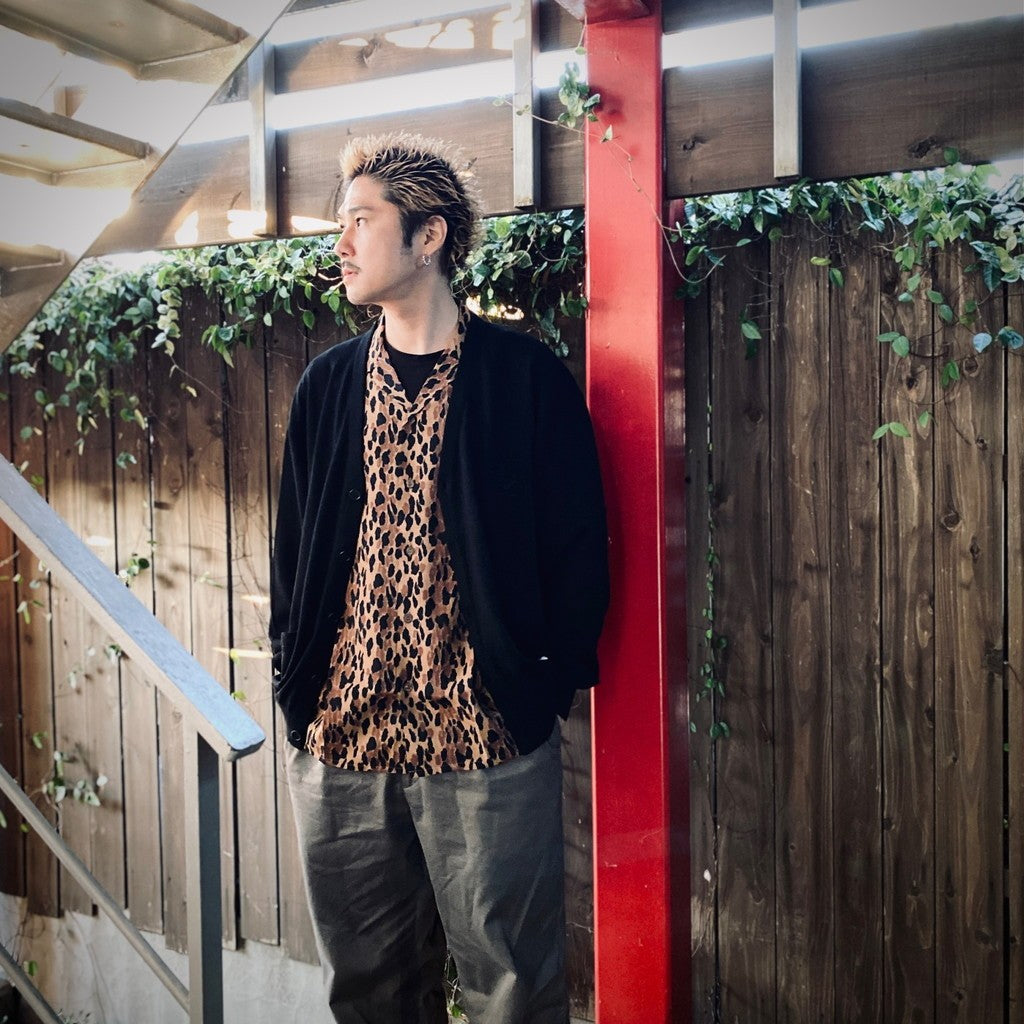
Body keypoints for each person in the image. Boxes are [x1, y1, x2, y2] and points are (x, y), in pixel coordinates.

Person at [270, 132, 609, 1024]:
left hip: (486, 739)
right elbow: (293, 550)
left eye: (361, 220)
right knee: (369, 993)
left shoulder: (525, 380)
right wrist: (296, 681)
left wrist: (538, 688)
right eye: (340, 222)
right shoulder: (327, 387)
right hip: (340, 739)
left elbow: (577, 544)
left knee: (513, 991)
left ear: (428, 237)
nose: (341, 241)